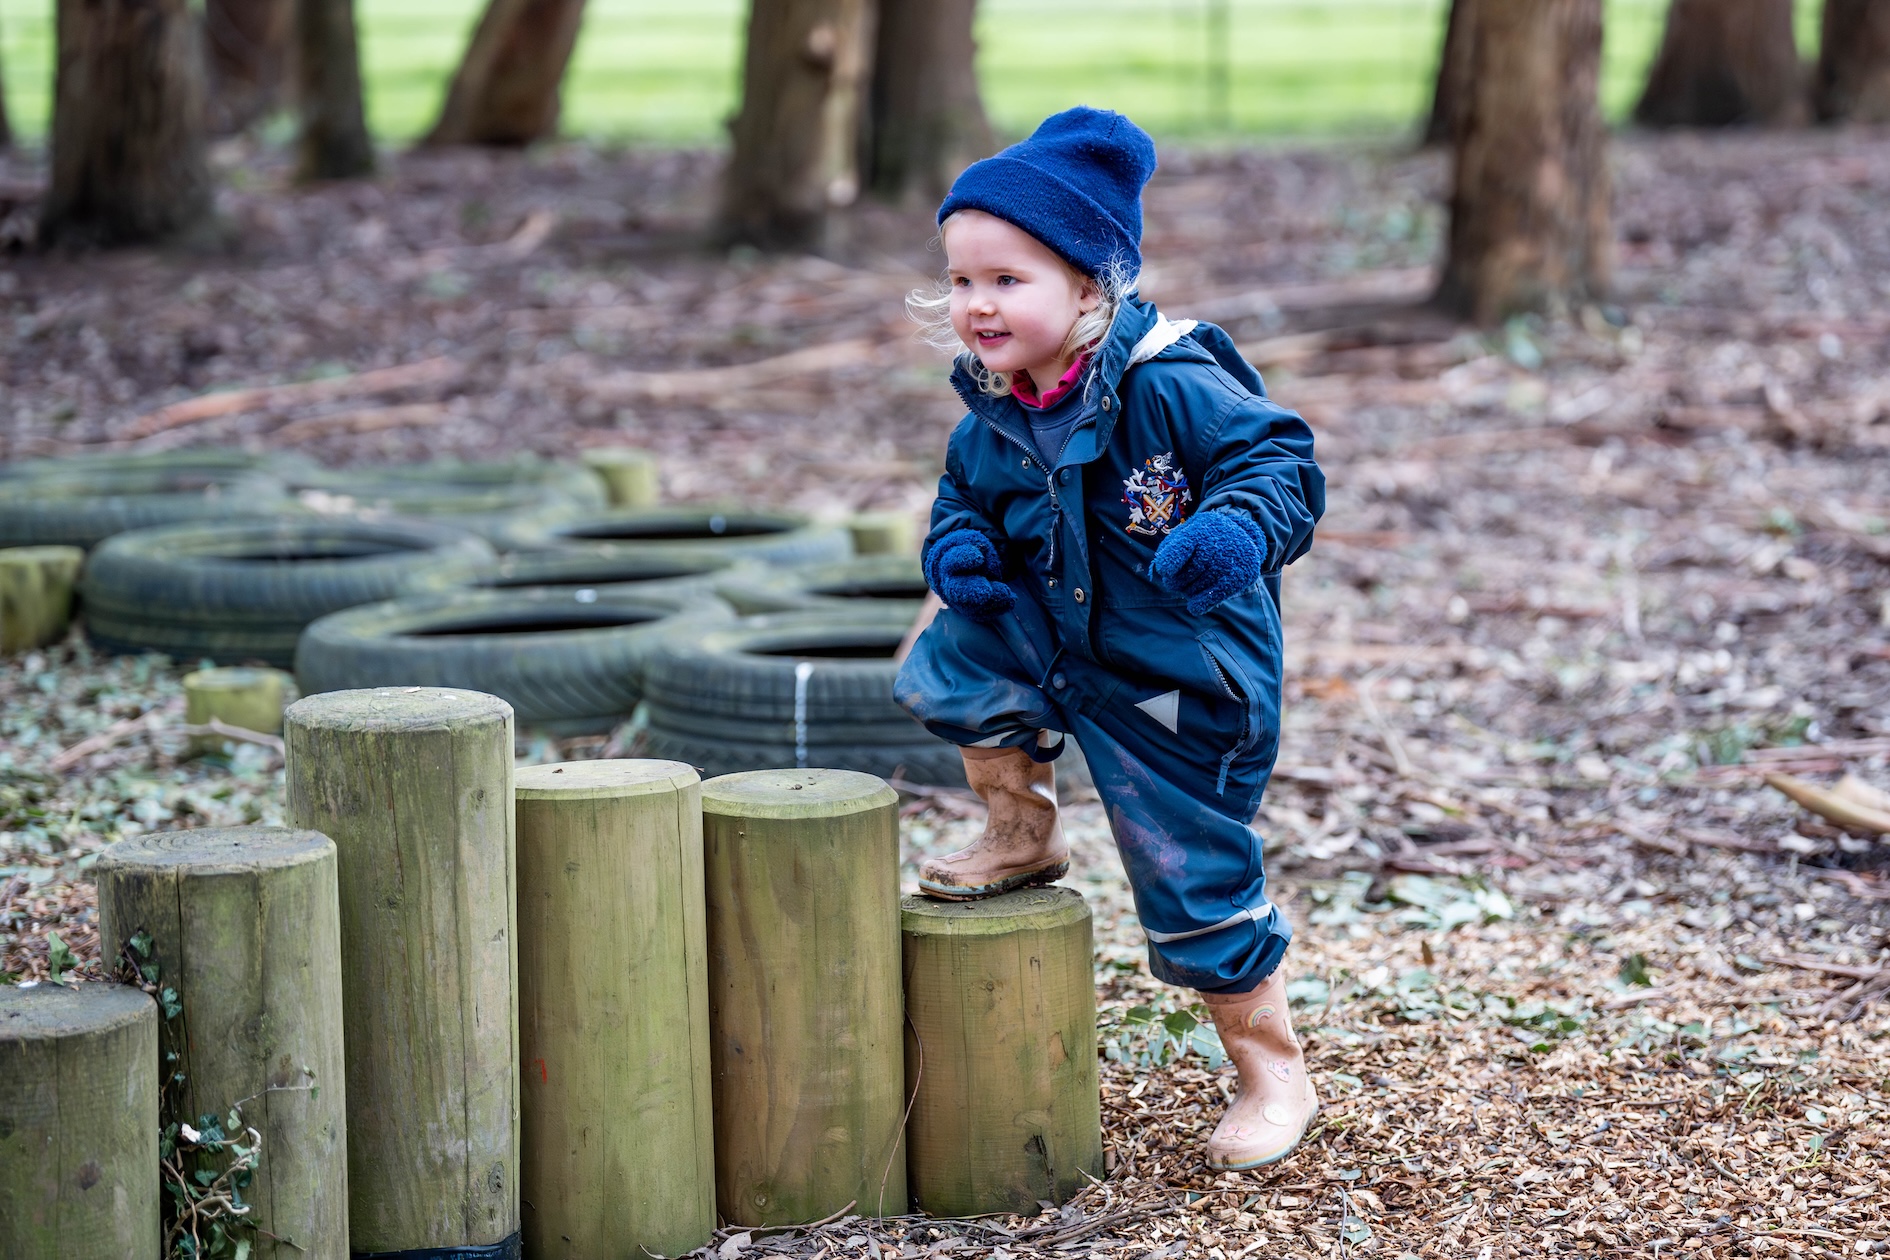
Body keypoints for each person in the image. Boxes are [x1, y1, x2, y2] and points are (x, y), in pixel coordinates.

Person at [894, 106, 1326, 1170]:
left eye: (1007, 279)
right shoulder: (992, 414)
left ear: (1090, 286)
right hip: (1066, 649)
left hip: (1180, 678)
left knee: (1190, 873)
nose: (978, 305)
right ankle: (1018, 825)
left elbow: (1282, 467)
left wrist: (1229, 535)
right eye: (962, 281)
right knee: (956, 644)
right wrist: (958, 554)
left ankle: (1273, 1073)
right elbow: (965, 502)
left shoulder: (1172, 383)